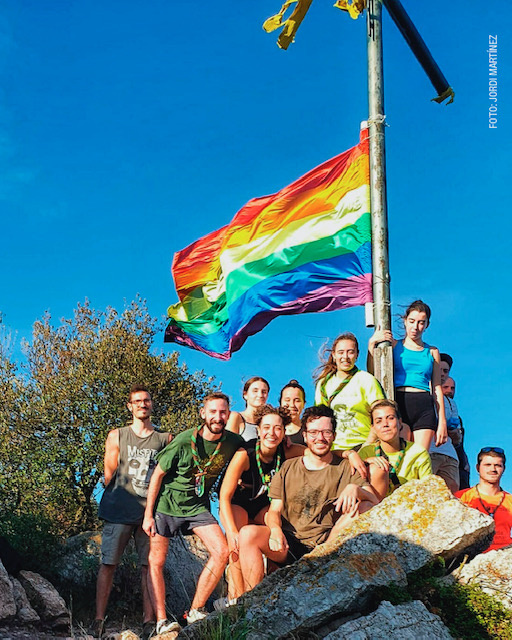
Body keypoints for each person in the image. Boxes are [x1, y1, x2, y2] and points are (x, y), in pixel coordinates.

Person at [236, 405, 378, 595]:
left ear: (334, 436)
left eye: (326, 432)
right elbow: (274, 510)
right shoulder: (287, 467)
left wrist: (356, 490)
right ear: (304, 435)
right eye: (314, 432)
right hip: (290, 544)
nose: (320, 438)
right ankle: (251, 602)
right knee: (247, 534)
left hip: (328, 543)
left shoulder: (345, 467)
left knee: (363, 507)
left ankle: (323, 559)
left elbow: (375, 503)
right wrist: (276, 530)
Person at [142, 392, 243, 633]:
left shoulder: (232, 441)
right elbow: (157, 475)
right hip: (166, 505)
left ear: (228, 415)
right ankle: (161, 621)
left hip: (196, 506)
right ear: (203, 413)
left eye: (222, 412)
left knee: (222, 551)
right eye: (213, 412)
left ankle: (195, 610)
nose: (218, 417)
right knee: (156, 561)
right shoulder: (184, 440)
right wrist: (148, 514)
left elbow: (258, 451)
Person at [92, 385, 172, 640]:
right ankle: (98, 619)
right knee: (108, 564)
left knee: (149, 567)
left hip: (149, 512)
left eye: (146, 400)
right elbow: (109, 473)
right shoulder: (117, 435)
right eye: (137, 401)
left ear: (151, 404)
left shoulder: (164, 439)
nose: (142, 404)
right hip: (119, 509)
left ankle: (149, 621)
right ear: (130, 406)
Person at [219, 405, 304, 603]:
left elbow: (319, 453)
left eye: (277, 428)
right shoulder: (245, 453)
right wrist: (230, 531)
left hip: (263, 505)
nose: (271, 433)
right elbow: (224, 495)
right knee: (237, 541)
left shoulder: (287, 451)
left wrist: (348, 455)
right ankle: (237, 598)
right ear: (257, 429)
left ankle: (263, 585)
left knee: (272, 528)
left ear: (284, 432)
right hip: (237, 502)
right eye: (266, 427)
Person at [368, 300, 447, 452]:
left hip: (424, 405)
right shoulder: (394, 346)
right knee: (400, 457)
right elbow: (374, 373)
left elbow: (436, 387)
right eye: (412, 321)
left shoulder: (432, 351)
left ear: (427, 325)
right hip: (399, 403)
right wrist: (372, 344)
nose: (415, 327)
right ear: (405, 321)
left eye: (421, 323)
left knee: (420, 458)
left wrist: (442, 420)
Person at [314, 332, 385, 476]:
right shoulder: (323, 384)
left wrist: (366, 447)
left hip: (363, 444)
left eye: (350, 352)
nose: (345, 357)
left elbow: (381, 415)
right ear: (333, 355)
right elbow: (318, 420)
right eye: (340, 352)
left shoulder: (366, 380)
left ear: (357, 355)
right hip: (335, 449)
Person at [359, 400, 432, 501]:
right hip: (374, 508)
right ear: (373, 428)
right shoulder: (366, 452)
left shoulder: (418, 452)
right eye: (378, 421)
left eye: (390, 418)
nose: (385, 424)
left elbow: (429, 489)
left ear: (400, 422)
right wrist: (366, 461)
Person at [455, 448, 512, 552]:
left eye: (498, 465)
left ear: (504, 469)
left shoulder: (510, 500)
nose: (493, 469)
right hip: (471, 557)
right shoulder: (461, 497)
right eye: (487, 465)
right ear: (478, 468)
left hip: (505, 556)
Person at [428, 353, 460, 493]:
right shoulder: (423, 392)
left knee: (451, 495)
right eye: (438, 369)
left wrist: (455, 433)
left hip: (449, 454)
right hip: (429, 451)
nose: (441, 374)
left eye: (445, 371)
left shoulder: (451, 402)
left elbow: (457, 435)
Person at [443, 374, 471, 490]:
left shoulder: (457, 418)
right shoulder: (430, 411)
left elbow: (459, 442)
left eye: (452, 388)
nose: (449, 391)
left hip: (458, 460)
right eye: (446, 387)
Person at [226, 376, 270, 441]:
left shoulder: (270, 421)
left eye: (264, 392)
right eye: (255, 391)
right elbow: (227, 445)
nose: (260, 395)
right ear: (245, 394)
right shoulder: (236, 417)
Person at [279, 380, 306, 444]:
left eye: (297, 401)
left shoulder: (310, 430)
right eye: (287, 400)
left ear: (304, 404)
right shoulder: (272, 430)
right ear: (280, 403)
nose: (292, 405)